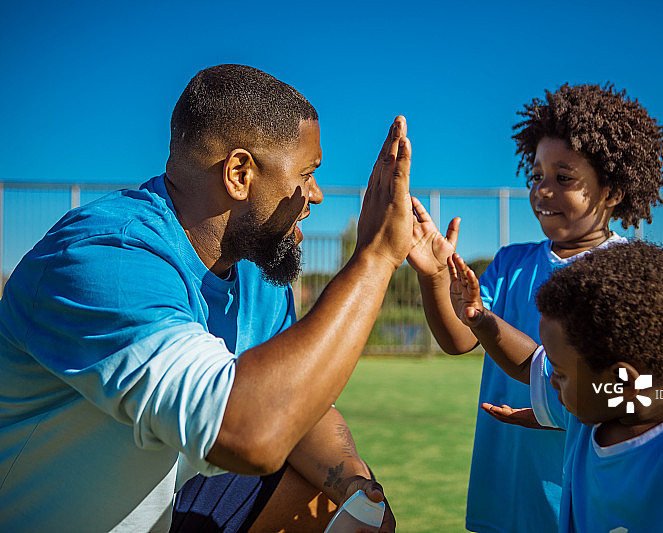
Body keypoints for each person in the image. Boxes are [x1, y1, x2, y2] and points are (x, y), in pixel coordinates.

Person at [0, 64, 414, 532]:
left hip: (169, 505)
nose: (315, 194)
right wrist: (376, 257)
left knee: (332, 500)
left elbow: (294, 404)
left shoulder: (259, 274)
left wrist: (355, 487)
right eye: (306, 173)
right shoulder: (106, 258)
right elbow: (252, 433)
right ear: (239, 173)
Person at [407, 83, 663, 532]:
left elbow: (636, 394)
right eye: (537, 175)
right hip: (504, 496)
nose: (543, 191)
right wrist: (434, 276)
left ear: (612, 191)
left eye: (563, 178)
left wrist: (556, 409)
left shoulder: (628, 277)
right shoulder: (511, 262)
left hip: (579, 502)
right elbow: (459, 338)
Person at [447, 241, 663, 531]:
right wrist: (479, 319)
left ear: (622, 380)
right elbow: (528, 362)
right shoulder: (600, 407)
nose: (549, 377)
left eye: (560, 372)